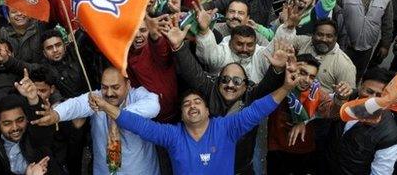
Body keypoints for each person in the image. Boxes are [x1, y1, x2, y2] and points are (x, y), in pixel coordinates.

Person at [88, 56, 299, 174]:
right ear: (181, 115)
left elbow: (257, 110)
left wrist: (287, 87)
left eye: (198, 102)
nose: (192, 106)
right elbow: (140, 126)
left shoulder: (227, 128)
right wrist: (107, 107)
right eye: (186, 104)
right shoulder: (172, 135)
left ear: (208, 110)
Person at [163, 12, 290, 174]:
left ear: (246, 85)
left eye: (237, 81)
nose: (230, 85)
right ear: (218, 81)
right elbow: (193, 73)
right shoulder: (211, 90)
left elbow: (268, 86)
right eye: (225, 80)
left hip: (241, 167)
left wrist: (278, 69)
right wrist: (178, 47)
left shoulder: (251, 95)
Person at [32, 66, 162, 174]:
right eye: (104, 87)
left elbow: (153, 105)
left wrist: (117, 116)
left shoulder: (137, 95)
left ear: (127, 85)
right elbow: (76, 105)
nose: (109, 93)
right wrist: (55, 114)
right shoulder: (97, 98)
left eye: (115, 87)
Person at [267, 54, 352, 174]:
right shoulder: (279, 85)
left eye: (312, 76)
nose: (307, 80)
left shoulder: (316, 93)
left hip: (302, 150)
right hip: (276, 146)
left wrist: (340, 98)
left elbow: (332, 112)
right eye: (302, 73)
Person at [326, 67, 397, 174]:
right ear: (360, 85)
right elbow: (320, 109)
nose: (372, 100)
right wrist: (339, 100)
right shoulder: (346, 96)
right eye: (369, 91)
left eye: (379, 96)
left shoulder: (390, 136)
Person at [0, 80, 60, 174]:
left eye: (20, 120)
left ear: (27, 119)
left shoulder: (36, 136)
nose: (15, 127)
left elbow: (40, 125)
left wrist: (34, 100)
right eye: (7, 123)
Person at [336, 0, 393, 81]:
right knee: (340, 73)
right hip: (345, 44)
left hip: (367, 47)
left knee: (357, 75)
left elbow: (387, 23)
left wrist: (385, 44)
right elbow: (335, 16)